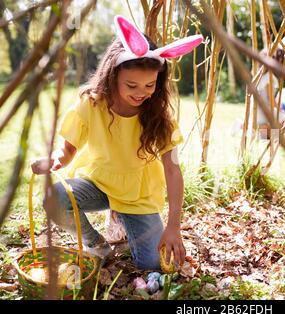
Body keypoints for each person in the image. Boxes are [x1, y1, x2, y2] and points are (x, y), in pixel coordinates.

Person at [30, 15, 203, 270]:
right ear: (112, 76)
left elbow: (172, 168)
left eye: (150, 85)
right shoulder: (92, 104)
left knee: (152, 264)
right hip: (98, 183)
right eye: (131, 84)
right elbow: (67, 151)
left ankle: (123, 218)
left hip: (137, 196)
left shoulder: (159, 116)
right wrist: (54, 160)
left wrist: (174, 226)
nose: (141, 93)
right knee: (53, 197)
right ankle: (96, 244)